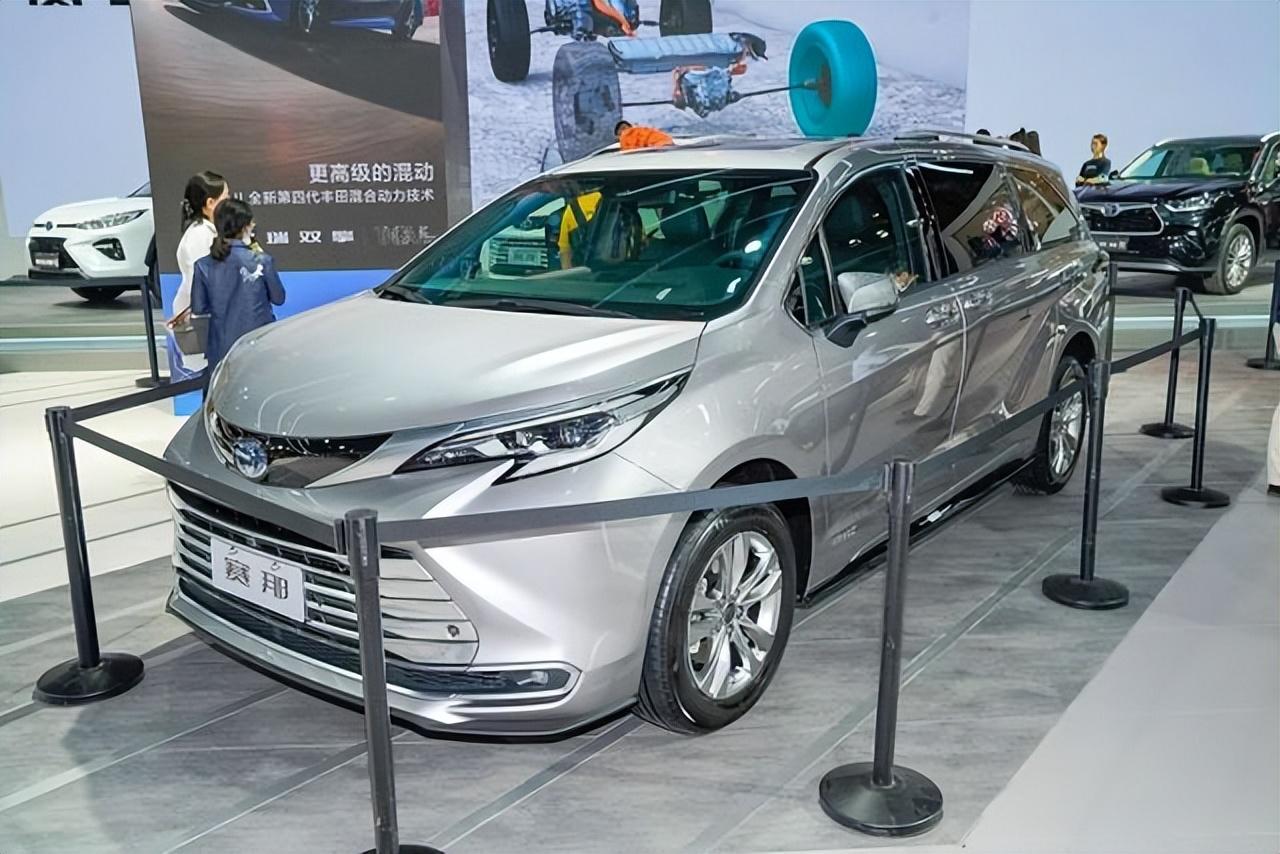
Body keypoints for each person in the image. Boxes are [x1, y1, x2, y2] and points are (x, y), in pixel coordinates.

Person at [192, 198, 285, 371]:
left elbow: (198, 308)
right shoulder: (262, 260)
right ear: (245, 227)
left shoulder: (203, 265)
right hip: (259, 345)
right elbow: (279, 298)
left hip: (221, 348)